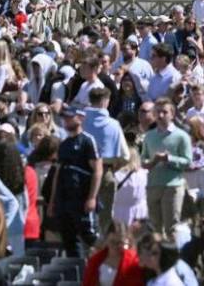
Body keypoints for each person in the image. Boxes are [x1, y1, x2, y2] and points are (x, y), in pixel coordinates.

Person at [49, 104, 102, 257]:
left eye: (70, 117)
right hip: (65, 199)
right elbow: (57, 173)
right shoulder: (64, 144)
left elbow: (97, 170)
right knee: (69, 239)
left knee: (90, 235)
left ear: (80, 118)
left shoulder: (88, 141)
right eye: (65, 118)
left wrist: (92, 197)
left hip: (82, 197)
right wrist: (53, 201)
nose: (66, 121)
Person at [140, 98, 191, 238]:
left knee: (171, 228)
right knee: (155, 228)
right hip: (153, 185)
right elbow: (143, 157)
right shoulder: (149, 136)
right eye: (158, 112)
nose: (161, 115)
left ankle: (172, 256)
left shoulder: (181, 136)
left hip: (173, 185)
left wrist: (169, 159)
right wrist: (149, 161)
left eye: (165, 112)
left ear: (172, 114)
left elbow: (188, 161)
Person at [82, 221, 143, 286]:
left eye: (120, 242)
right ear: (106, 240)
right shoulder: (95, 261)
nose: (116, 246)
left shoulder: (135, 261)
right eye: (112, 242)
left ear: (128, 241)